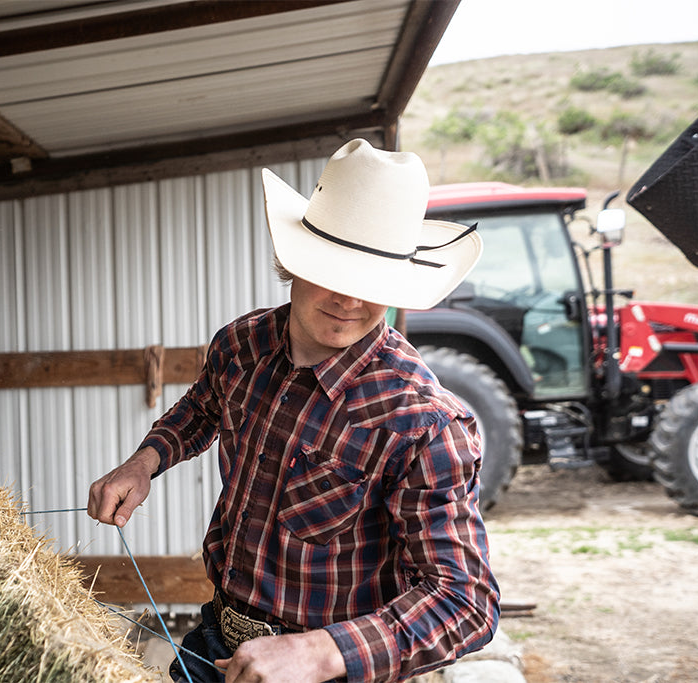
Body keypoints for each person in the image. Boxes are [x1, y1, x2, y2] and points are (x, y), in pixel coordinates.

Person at [87, 139, 500, 683]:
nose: (350, 301)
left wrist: (322, 651)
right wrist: (144, 462)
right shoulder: (242, 344)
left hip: (327, 671)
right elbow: (202, 408)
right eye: (334, 271)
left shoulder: (421, 421)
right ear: (294, 258)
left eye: (372, 281)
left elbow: (465, 602)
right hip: (217, 641)